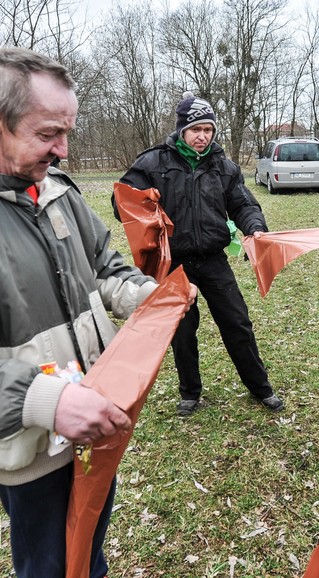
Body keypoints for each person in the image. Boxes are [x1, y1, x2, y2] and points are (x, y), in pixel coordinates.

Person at [0, 47, 192, 578]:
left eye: (67, 133)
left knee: (87, 552)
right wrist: (49, 403)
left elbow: (102, 266)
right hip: (30, 449)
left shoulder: (56, 193)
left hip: (92, 425)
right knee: (49, 565)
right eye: (50, 133)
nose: (64, 150)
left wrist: (147, 299)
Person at [116, 92, 284, 417]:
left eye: (208, 130)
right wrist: (142, 201)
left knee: (237, 323)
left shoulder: (224, 167)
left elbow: (244, 204)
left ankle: (260, 388)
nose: (202, 136)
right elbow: (122, 202)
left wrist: (255, 228)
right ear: (182, 130)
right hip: (175, 264)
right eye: (196, 129)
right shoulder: (153, 163)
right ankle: (189, 393)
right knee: (182, 329)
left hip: (213, 260)